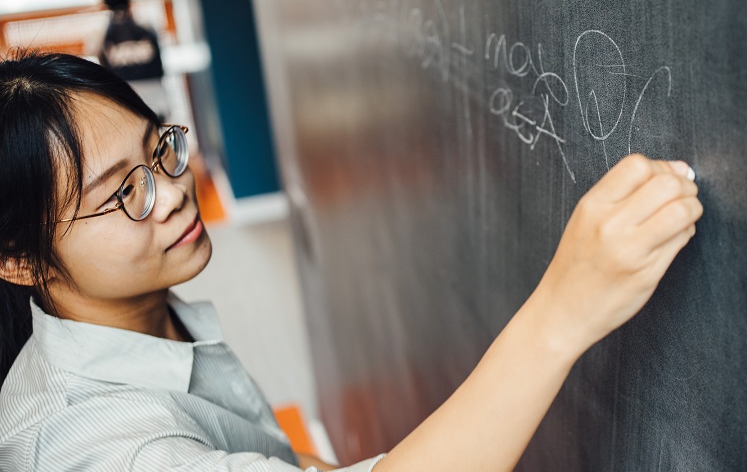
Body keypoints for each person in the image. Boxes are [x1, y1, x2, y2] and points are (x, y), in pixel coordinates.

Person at [0, 51, 702, 471]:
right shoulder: (100, 451)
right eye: (125, 193)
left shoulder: (132, 312)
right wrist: (566, 309)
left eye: (160, 150)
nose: (174, 194)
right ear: (20, 261)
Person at [98, 0, 170, 121]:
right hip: (156, 93)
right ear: (128, 0)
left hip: (127, 98)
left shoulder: (100, 33)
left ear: (105, 4)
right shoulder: (147, 25)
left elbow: (100, 62)